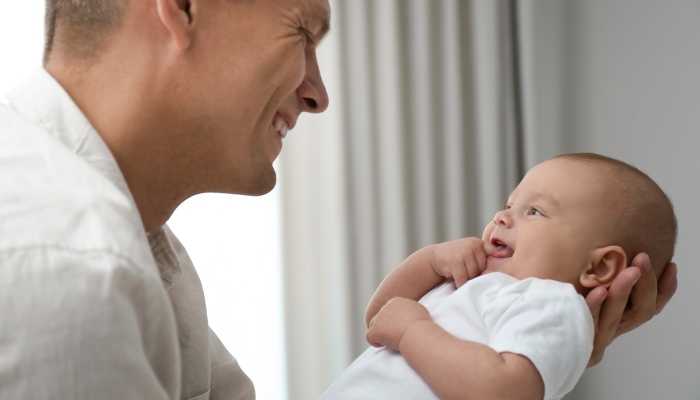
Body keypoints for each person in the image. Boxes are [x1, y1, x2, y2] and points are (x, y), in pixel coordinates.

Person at [0, 0, 676, 398]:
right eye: (302, 31)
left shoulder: (138, 248)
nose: (318, 93)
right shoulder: (74, 267)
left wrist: (544, 350)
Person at [320, 153, 677, 400]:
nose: (501, 217)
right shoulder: (476, 280)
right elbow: (379, 319)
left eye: (533, 211)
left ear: (598, 268)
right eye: (509, 206)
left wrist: (413, 331)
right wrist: (430, 262)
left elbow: (502, 392)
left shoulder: (550, 304)